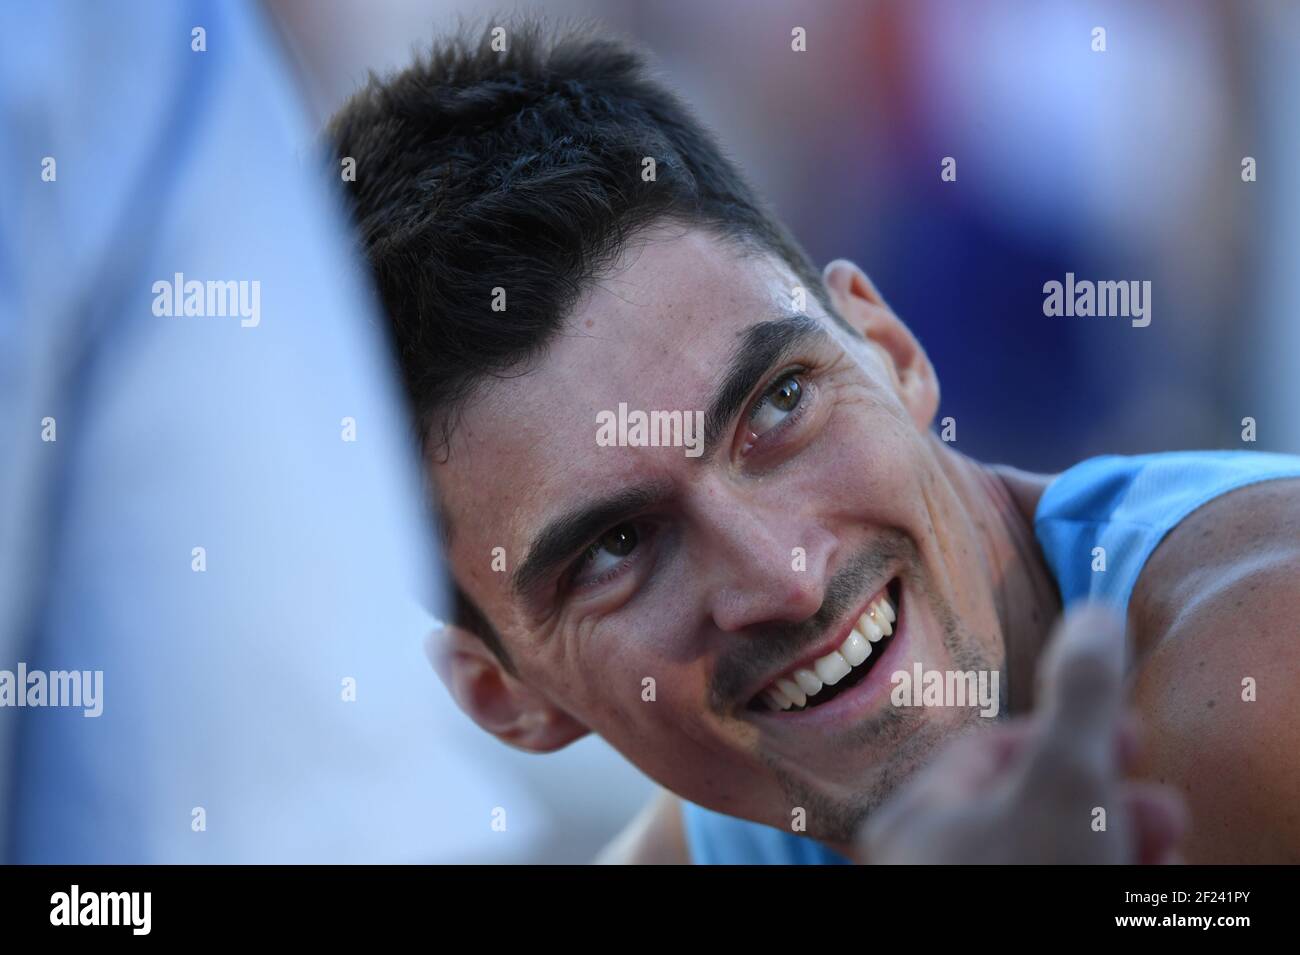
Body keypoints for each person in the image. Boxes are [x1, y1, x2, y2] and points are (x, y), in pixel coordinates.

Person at [328, 21, 1300, 864]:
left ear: (888, 349)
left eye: (779, 405)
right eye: (617, 547)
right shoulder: (717, 834)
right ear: (508, 698)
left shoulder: (1259, 678)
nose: (783, 579)